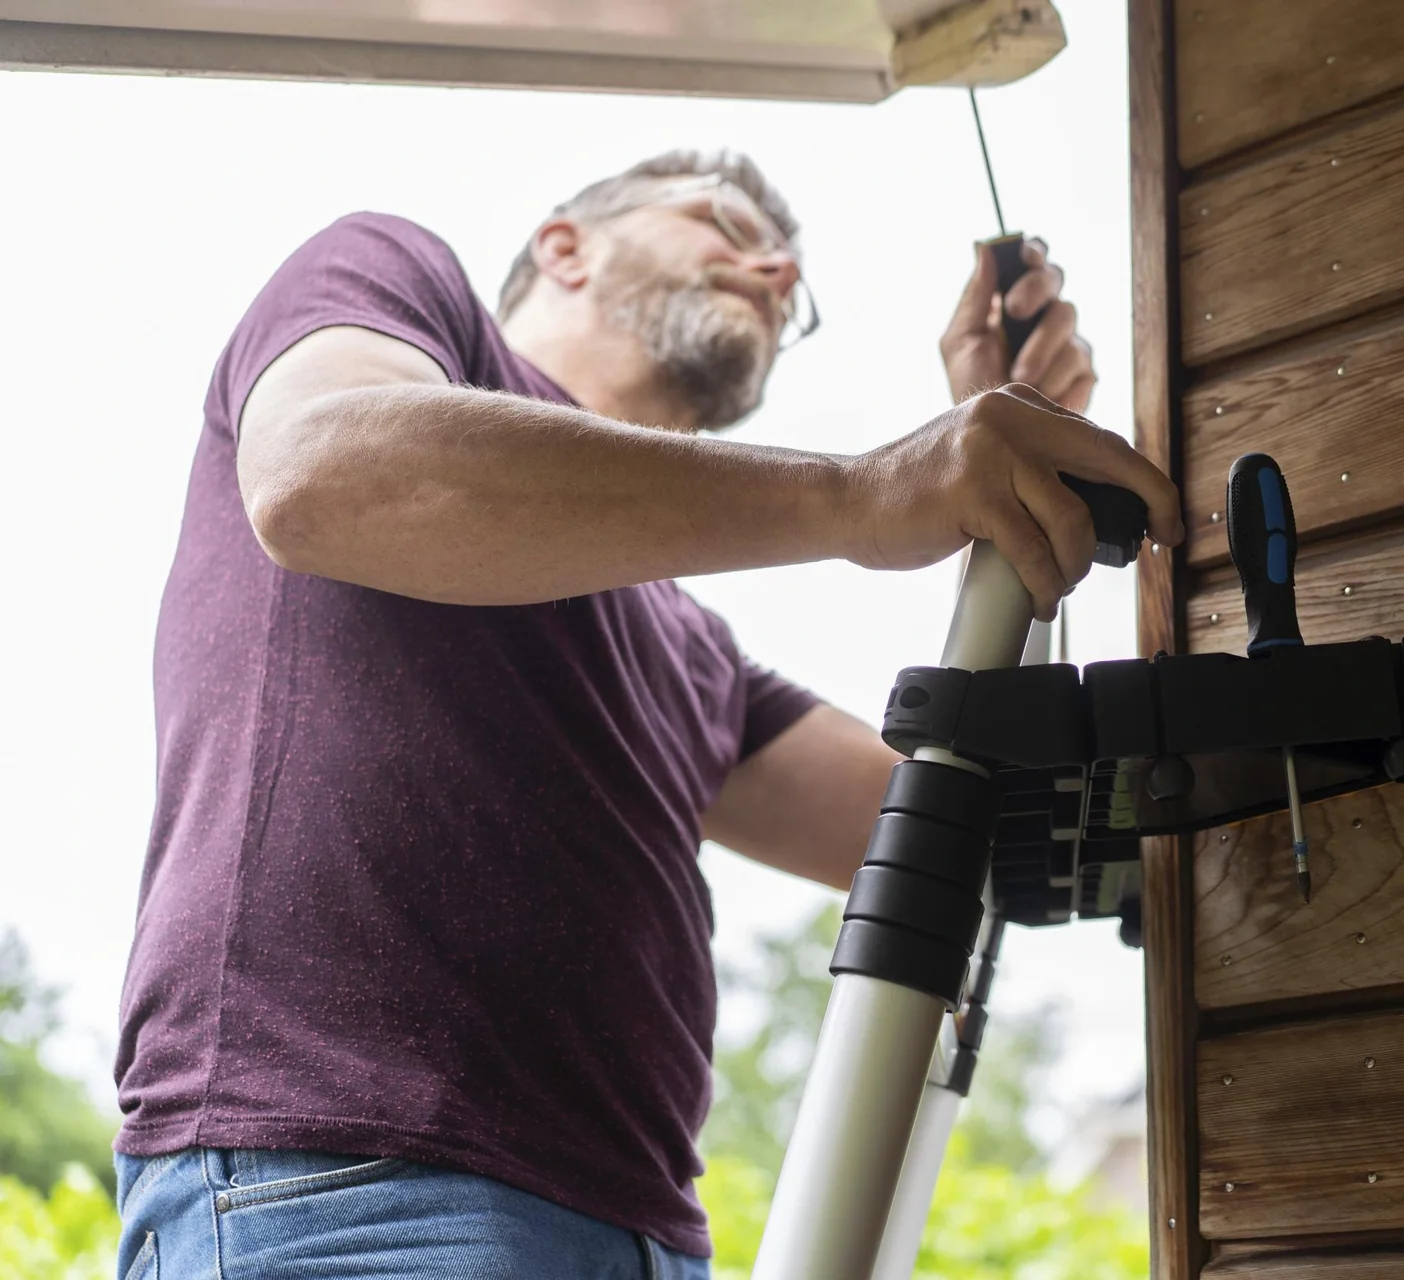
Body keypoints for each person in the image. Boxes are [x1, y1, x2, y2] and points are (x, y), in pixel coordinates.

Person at [110, 148, 1182, 1279]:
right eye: (726, 224)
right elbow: (320, 475)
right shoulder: (391, 273)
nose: (776, 270)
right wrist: (865, 492)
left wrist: (1011, 488)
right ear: (564, 245)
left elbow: (969, 829)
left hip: (645, 1234)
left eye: (796, 283)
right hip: (355, 1189)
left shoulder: (689, 650)